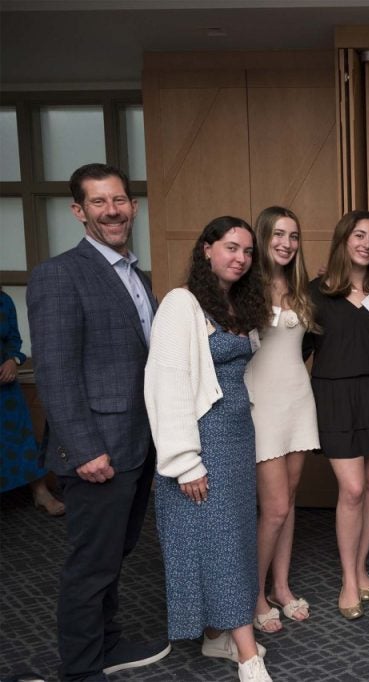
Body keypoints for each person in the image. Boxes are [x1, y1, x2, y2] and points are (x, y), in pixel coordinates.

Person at [27, 163, 169, 681]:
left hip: (135, 444)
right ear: (79, 211)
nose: (113, 211)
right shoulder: (60, 274)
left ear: (132, 206)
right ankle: (82, 667)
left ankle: (107, 644)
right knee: (90, 566)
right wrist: (85, 449)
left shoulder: (137, 275)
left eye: (120, 201)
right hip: (97, 450)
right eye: (99, 202)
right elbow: (56, 373)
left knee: (115, 554)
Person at [144, 216, 274, 682]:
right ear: (206, 250)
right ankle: (247, 655)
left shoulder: (235, 304)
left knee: (234, 539)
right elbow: (168, 382)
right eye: (230, 248)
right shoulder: (182, 304)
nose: (240, 258)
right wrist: (184, 462)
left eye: (247, 252)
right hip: (203, 439)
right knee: (218, 542)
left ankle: (217, 634)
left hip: (239, 436)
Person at [306, 210, 369, 619]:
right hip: (336, 396)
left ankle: (361, 566)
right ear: (344, 239)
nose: (366, 243)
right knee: (354, 489)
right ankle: (348, 577)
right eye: (359, 235)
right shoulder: (317, 291)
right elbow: (296, 349)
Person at [250, 207, 320, 632]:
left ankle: (281, 585)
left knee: (288, 501)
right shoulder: (245, 289)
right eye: (278, 234)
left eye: (293, 236)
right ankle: (254, 595)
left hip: (298, 400)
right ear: (263, 237)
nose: (287, 243)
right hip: (261, 405)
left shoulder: (302, 291)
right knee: (273, 507)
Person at [1, 287, 64, 516]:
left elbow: (13, 340)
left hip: (4, 384)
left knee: (21, 435)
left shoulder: (3, 300)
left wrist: (12, 360)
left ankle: (40, 492)